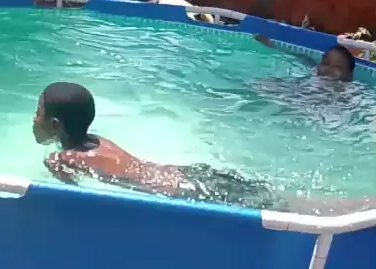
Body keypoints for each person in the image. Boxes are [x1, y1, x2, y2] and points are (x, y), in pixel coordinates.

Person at [33, 82, 280, 209]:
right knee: (274, 200)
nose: (34, 119)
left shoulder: (61, 160)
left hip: (185, 191)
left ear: (55, 124)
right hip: (190, 174)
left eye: (38, 112)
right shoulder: (97, 140)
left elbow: (72, 201)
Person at [255, 35, 355, 82]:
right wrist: (272, 47)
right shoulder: (312, 78)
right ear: (318, 66)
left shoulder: (344, 94)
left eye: (337, 67)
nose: (328, 69)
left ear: (349, 76)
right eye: (325, 63)